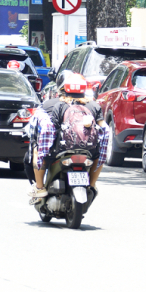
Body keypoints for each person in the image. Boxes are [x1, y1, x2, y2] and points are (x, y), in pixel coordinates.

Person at [28, 72, 110, 201]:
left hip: (61, 150)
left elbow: (51, 129)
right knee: (99, 157)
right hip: (89, 150)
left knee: (37, 151)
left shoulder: (60, 105)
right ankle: (92, 185)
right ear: (85, 88)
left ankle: (39, 188)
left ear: (65, 88)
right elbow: (104, 128)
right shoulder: (94, 105)